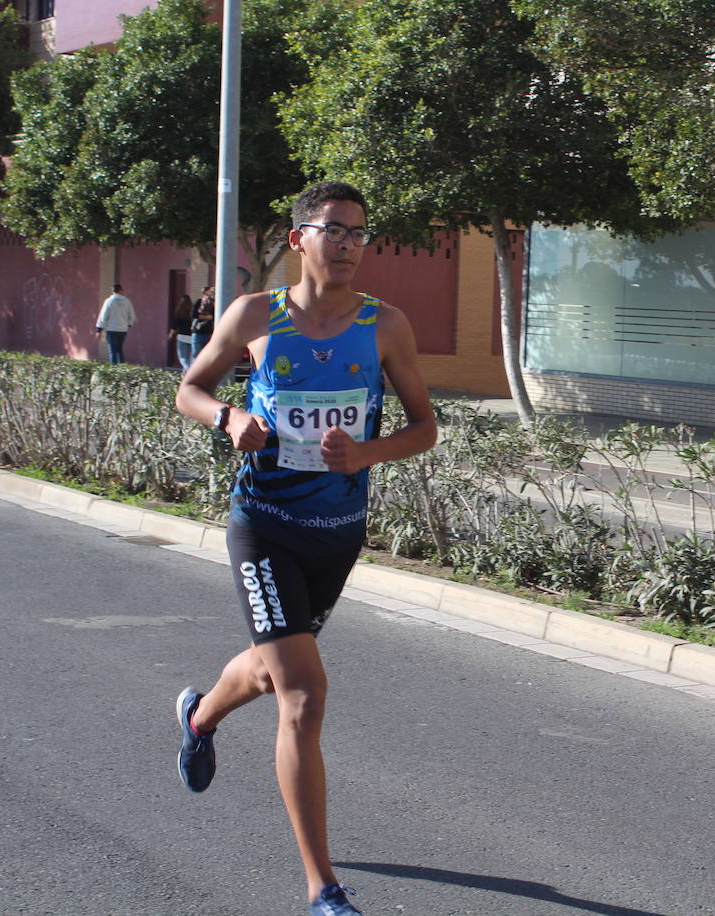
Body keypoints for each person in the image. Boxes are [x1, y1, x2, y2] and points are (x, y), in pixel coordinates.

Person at [173, 181, 436, 916]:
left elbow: (426, 427)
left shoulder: (387, 326)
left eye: (359, 232)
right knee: (303, 695)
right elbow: (189, 388)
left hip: (336, 535)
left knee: (267, 671)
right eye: (334, 229)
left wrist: (367, 454)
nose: (349, 243)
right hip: (262, 523)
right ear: (300, 240)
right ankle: (323, 889)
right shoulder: (255, 316)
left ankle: (198, 717)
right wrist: (227, 418)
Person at [94, 283, 136, 364]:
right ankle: (121, 371)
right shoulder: (127, 302)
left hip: (111, 330)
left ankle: (113, 371)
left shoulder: (109, 302)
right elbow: (132, 315)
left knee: (112, 351)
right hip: (123, 330)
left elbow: (103, 316)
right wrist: (129, 325)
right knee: (119, 350)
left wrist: (99, 329)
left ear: (113, 291)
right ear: (120, 291)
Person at [169, 293, 194, 371]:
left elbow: (174, 326)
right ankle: (186, 375)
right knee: (190, 358)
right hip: (192, 337)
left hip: (182, 337)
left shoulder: (179, 313)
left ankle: (188, 370)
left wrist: (170, 335)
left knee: (183, 358)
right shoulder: (192, 313)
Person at [190, 287, 215, 358]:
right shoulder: (199, 301)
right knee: (196, 355)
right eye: (210, 291)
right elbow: (193, 314)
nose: (212, 293)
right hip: (198, 332)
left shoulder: (214, 302)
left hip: (208, 332)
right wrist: (207, 317)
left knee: (207, 356)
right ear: (205, 292)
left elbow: (216, 315)